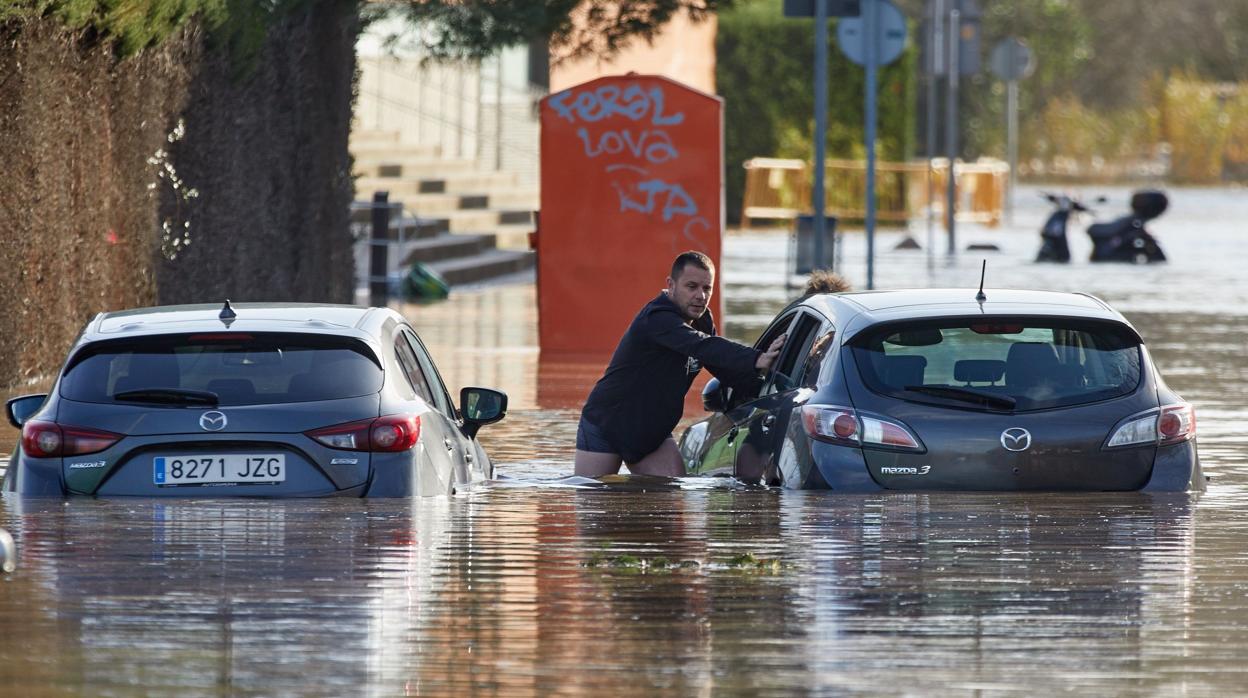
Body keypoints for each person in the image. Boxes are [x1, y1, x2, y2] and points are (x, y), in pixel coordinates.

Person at [574, 251, 785, 477]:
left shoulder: (702, 320)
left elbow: (724, 369)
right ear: (671, 285)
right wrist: (756, 358)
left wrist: (768, 382)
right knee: (594, 501)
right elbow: (702, 345)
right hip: (607, 424)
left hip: (651, 433)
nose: (701, 296)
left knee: (672, 501)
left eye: (707, 288)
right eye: (691, 286)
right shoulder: (656, 318)